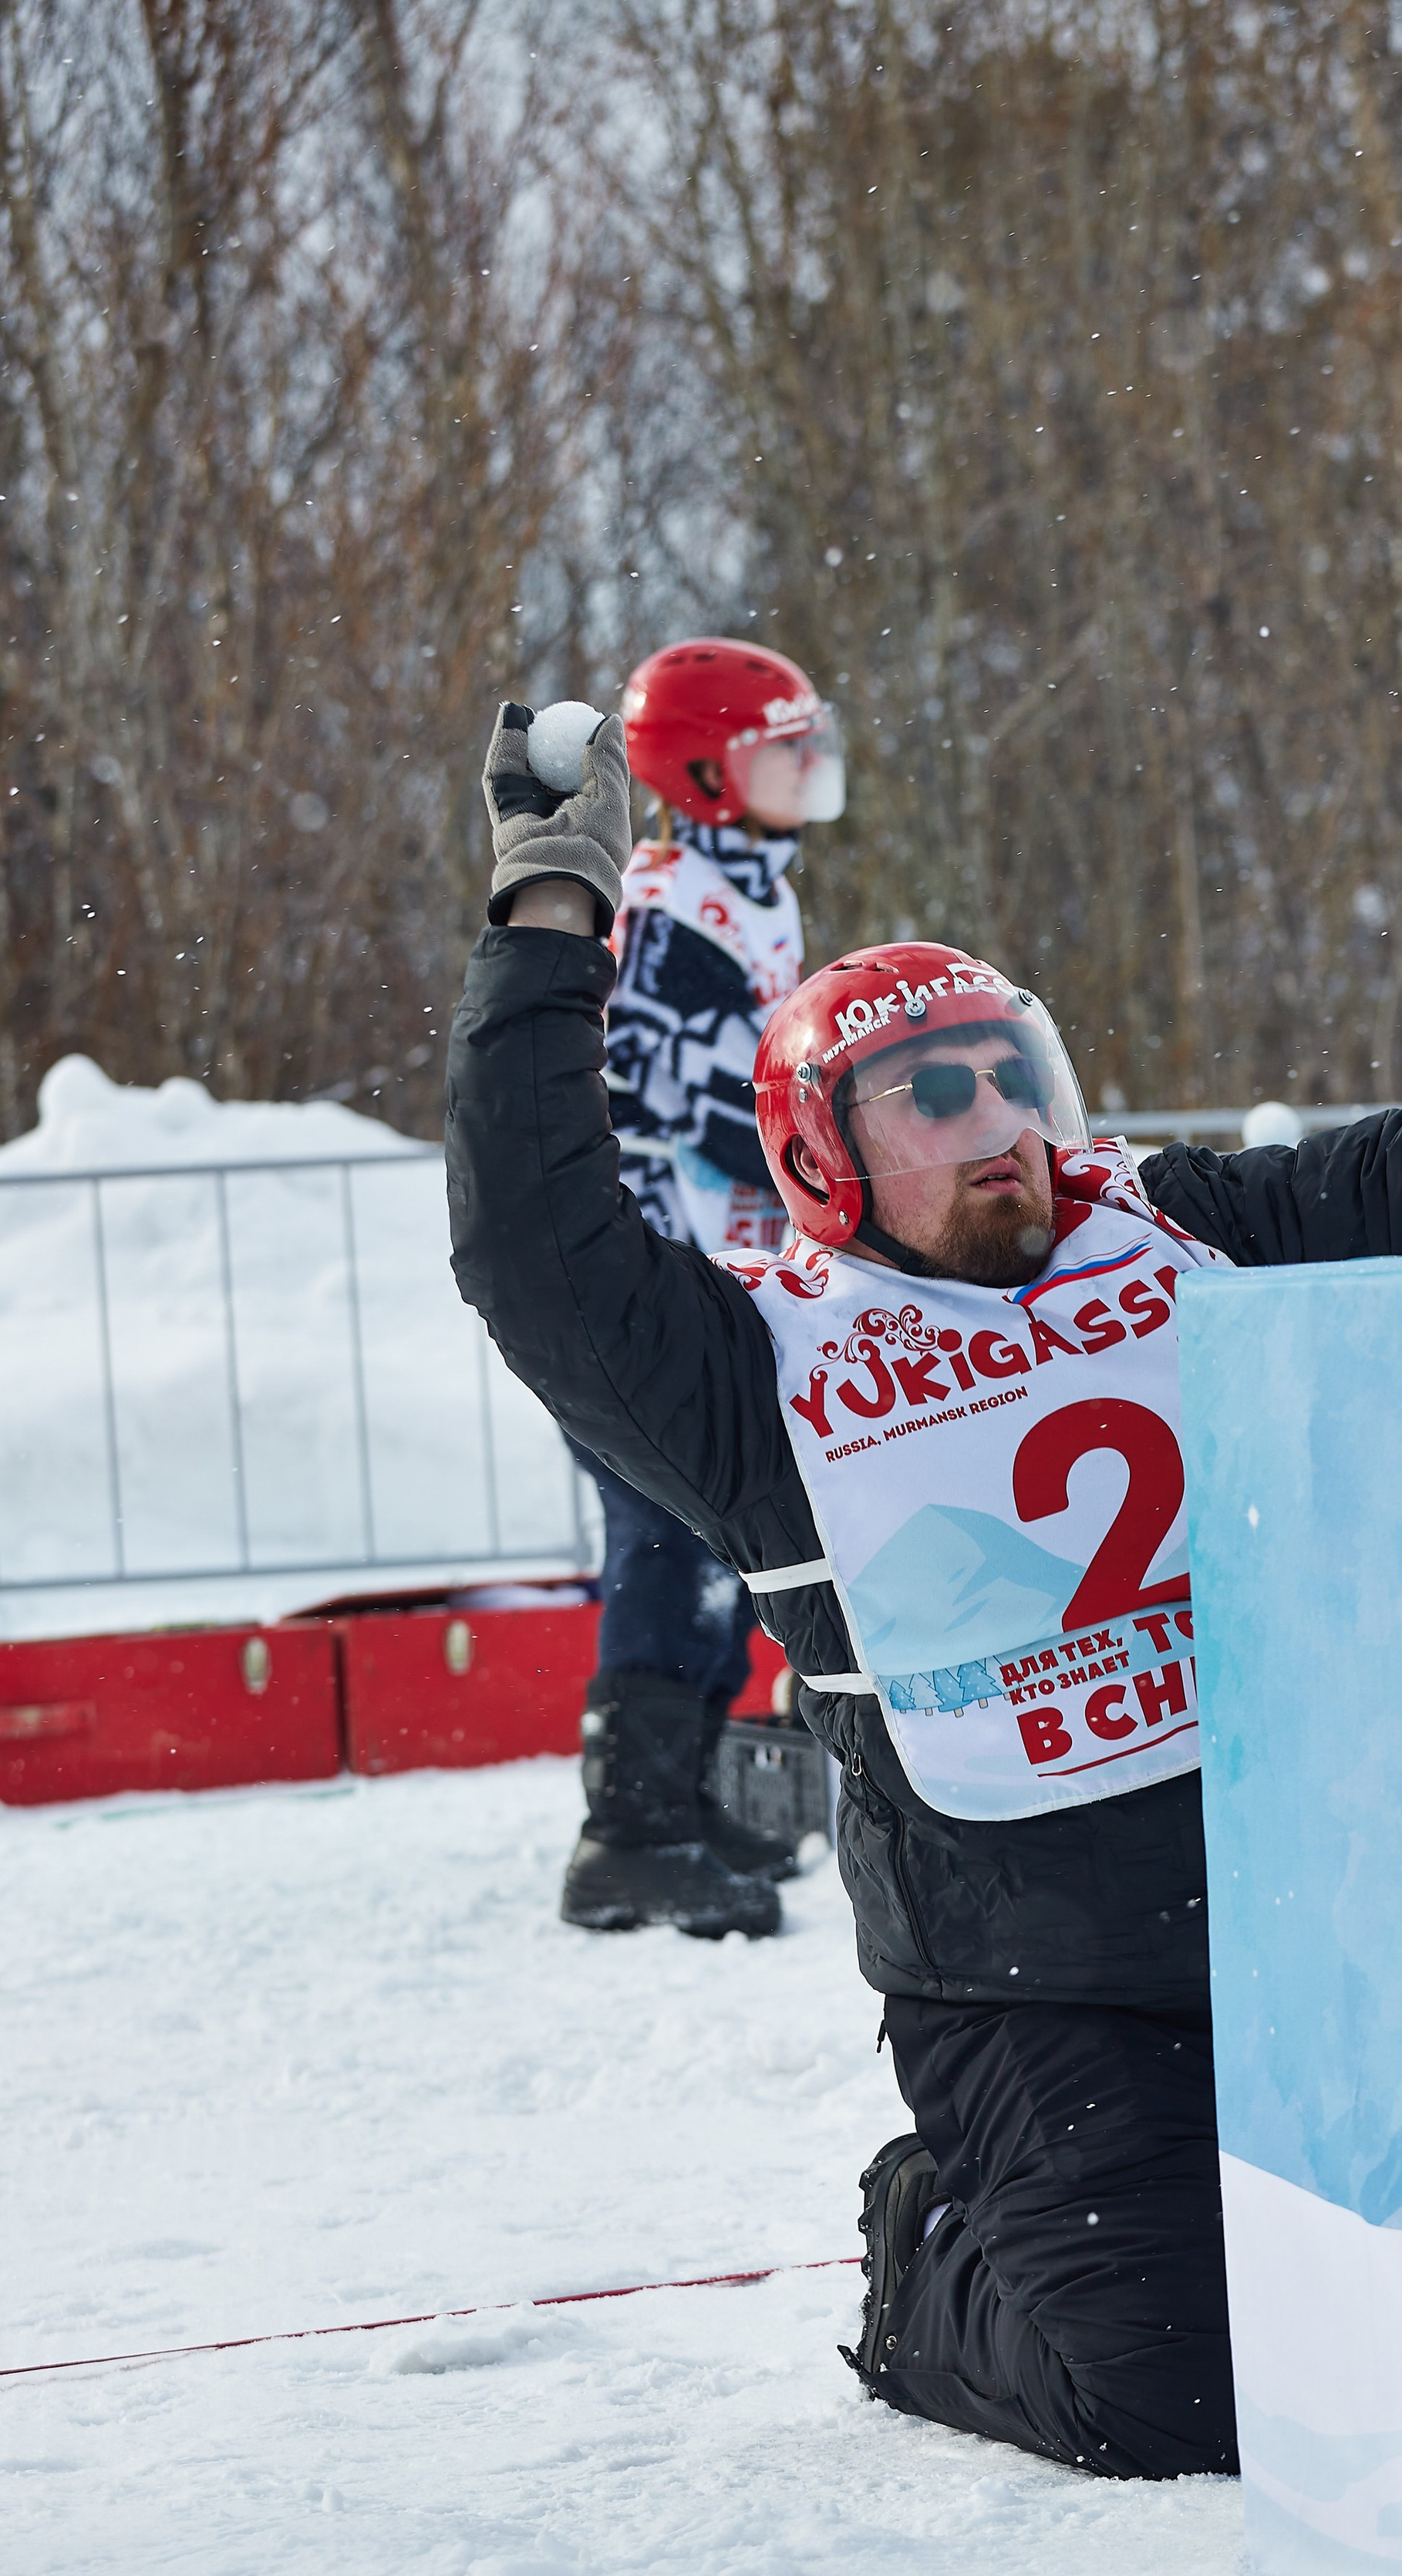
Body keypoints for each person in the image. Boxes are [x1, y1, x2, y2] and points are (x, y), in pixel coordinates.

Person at [450, 706, 1402, 2479]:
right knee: (1177, 2401)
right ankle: (926, 2241)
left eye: (1013, 1076)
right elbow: (533, 1248)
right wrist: (552, 905)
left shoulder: (1177, 1227)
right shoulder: (752, 1364)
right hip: (1034, 1988)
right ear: (824, 1150)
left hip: (1326, 1929)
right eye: (929, 1094)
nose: (994, 1121)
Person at [561, 639, 846, 1942]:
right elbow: (676, 1105)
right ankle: (629, 1834)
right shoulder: (673, 907)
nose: (810, 765)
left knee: (725, 1534)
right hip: (647, 1280)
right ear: (710, 774)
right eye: (782, 745)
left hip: (723, 1270)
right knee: (669, 1537)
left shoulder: (753, 894)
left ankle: (686, 1794)